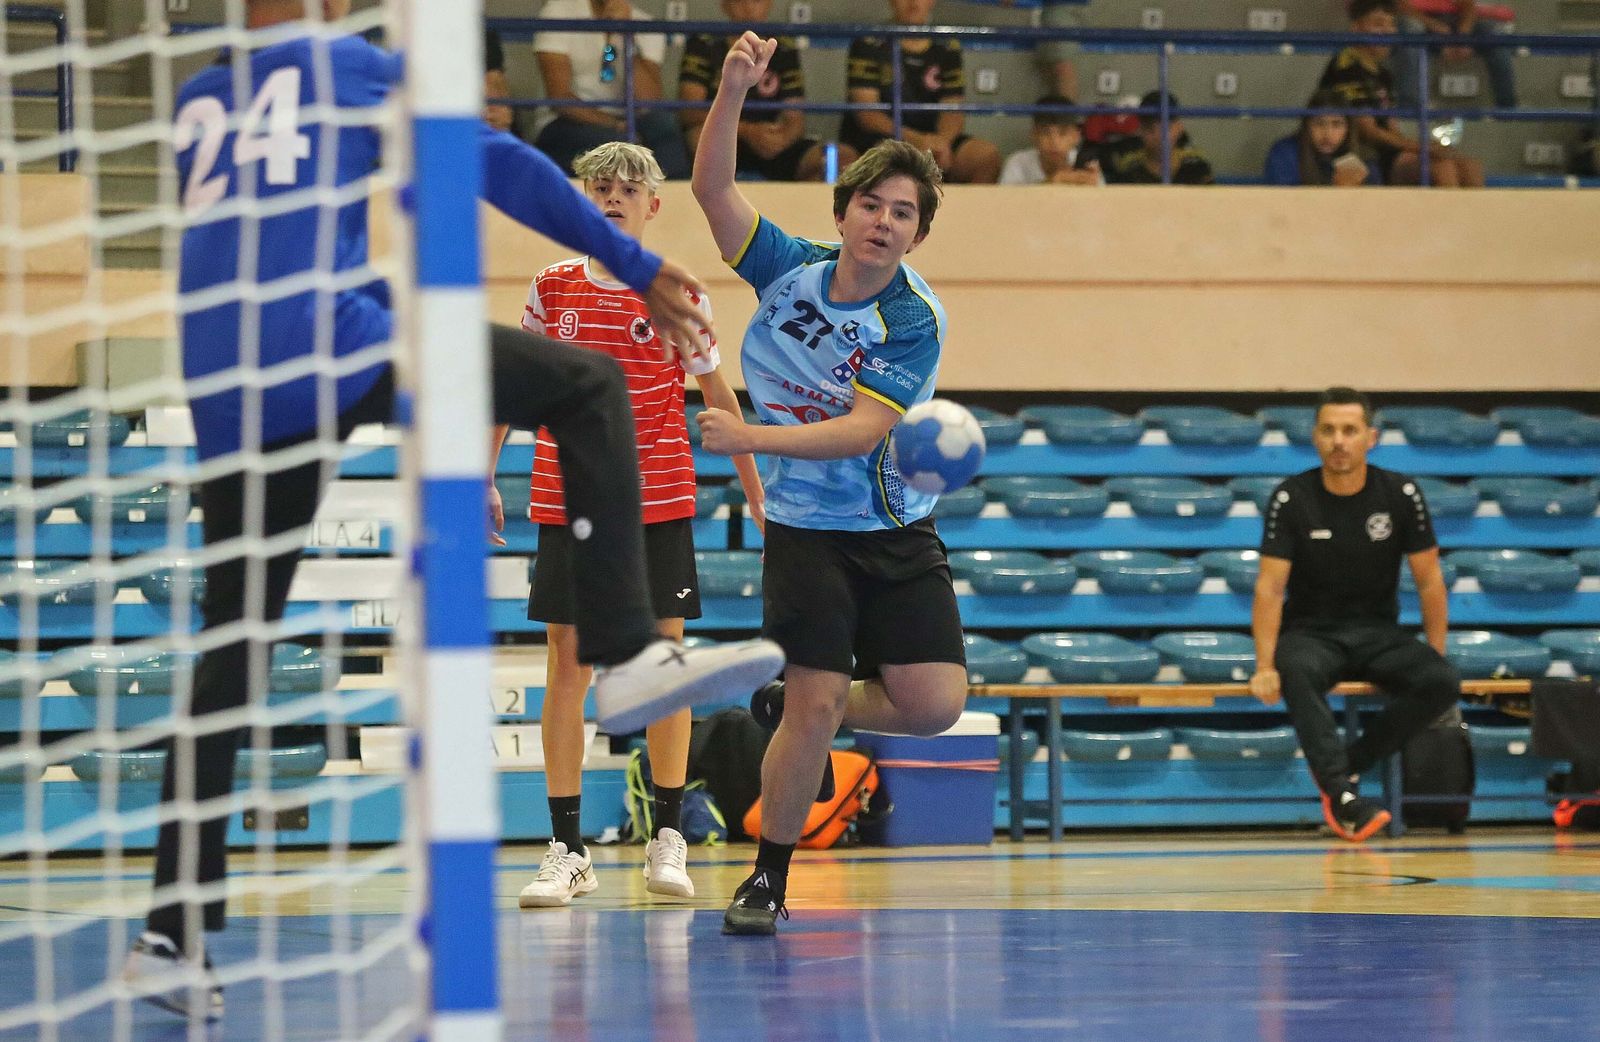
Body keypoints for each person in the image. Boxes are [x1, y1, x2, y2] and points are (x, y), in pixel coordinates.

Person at [124, 0, 783, 1019]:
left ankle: (169, 932)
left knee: (233, 645)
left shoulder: (202, 97)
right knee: (585, 388)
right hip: (328, 343)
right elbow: (497, 162)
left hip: (231, 381)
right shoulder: (336, 61)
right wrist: (639, 264)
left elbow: (258, 253)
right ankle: (627, 653)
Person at [691, 32, 969, 936]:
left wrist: (746, 434)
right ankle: (767, 876)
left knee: (933, 705)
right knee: (813, 704)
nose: (883, 222)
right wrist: (734, 88)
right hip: (805, 529)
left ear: (918, 233)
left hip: (892, 525)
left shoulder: (911, 317)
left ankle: (788, 706)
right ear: (844, 209)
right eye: (871, 204)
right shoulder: (788, 269)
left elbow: (861, 431)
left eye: (902, 213)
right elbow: (714, 192)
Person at [496, 142, 766, 907]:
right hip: (568, 499)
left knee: (664, 668)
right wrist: (486, 474)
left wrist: (755, 491)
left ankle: (668, 839)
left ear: (653, 206)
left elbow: (719, 395)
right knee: (568, 670)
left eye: (629, 189)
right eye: (600, 187)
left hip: (658, 502)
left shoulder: (675, 290)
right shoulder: (552, 287)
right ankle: (567, 848)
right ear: (582, 198)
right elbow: (519, 387)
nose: (613, 198)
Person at [1249, 387, 1461, 844]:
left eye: (1350, 430)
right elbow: (1269, 587)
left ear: (1371, 437)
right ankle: (1345, 798)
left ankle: (1344, 770)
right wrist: (1264, 665)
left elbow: (1429, 581)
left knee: (1442, 681)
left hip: (1379, 633)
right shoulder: (1291, 498)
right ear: (1315, 437)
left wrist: (1436, 652)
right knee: (1294, 668)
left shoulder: (1400, 493)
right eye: (1328, 431)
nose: (1339, 441)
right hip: (1312, 634)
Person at [678, 0, 856, 182]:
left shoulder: (782, 46)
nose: (748, 7)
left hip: (772, 138)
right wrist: (748, 131)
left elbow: (796, 116)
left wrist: (782, 139)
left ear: (769, 3)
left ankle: (808, 207)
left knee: (842, 157)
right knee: (697, 136)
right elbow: (690, 110)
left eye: (757, 1)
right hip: (727, 135)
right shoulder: (703, 43)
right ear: (725, 5)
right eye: (740, 1)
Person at [1318, 0, 1484, 187]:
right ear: (1356, 28)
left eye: (1392, 24)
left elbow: (1392, 127)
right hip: (1361, 155)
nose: (1388, 31)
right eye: (1379, 24)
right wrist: (1422, 148)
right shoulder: (1347, 67)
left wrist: (1424, 148)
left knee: (1470, 166)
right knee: (1442, 167)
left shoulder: (1383, 74)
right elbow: (1369, 132)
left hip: (1388, 154)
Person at [839, 0, 1001, 184]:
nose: (914, 2)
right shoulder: (868, 43)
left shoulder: (947, 46)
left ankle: (966, 213)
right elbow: (868, 114)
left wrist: (941, 143)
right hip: (882, 138)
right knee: (855, 160)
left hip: (932, 139)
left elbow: (953, 109)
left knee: (985, 157)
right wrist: (915, 140)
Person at [530, 0, 691, 178]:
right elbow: (560, 99)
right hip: (566, 122)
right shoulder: (559, 11)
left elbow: (650, 100)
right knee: (622, 147)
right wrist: (616, 125)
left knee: (664, 129)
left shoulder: (645, 23)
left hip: (628, 120)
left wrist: (624, 34)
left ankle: (674, 202)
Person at [1394, 0, 1518, 112]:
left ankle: (1507, 107)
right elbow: (1400, 6)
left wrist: (1463, 37)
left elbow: (1468, 6)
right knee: (1412, 32)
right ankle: (1410, 108)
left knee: (1496, 36)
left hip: (1452, 20)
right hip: (1417, 19)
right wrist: (1435, 27)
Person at [1263, 88, 1379, 186]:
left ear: (1348, 129)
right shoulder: (1285, 153)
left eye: (1336, 124)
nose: (1327, 133)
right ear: (1307, 126)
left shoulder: (1365, 160)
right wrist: (1337, 190)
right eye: (1319, 123)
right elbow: (1283, 203)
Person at [1097, 90, 1214, 185]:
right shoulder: (1130, 168)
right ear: (1140, 130)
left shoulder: (1196, 165)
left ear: (1180, 127)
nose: (1159, 136)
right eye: (1149, 128)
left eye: (1166, 127)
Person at [1000, 95, 1103, 186]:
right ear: (1034, 134)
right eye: (1045, 132)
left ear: (1076, 136)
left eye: (1063, 133)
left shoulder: (1086, 166)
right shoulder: (1018, 163)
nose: (1054, 142)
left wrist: (1092, 189)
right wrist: (1052, 182)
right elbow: (1003, 202)